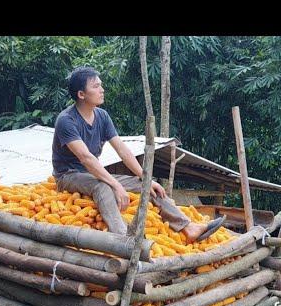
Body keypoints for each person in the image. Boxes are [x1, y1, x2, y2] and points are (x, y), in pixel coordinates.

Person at [52, 66, 225, 241]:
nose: (102, 90)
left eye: (101, 85)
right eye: (96, 86)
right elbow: (86, 158)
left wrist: (145, 178)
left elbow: (123, 150)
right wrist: (117, 186)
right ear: (81, 94)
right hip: (69, 176)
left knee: (149, 186)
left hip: (92, 174)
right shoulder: (66, 120)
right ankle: (122, 239)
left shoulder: (102, 116)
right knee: (103, 186)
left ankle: (188, 227)